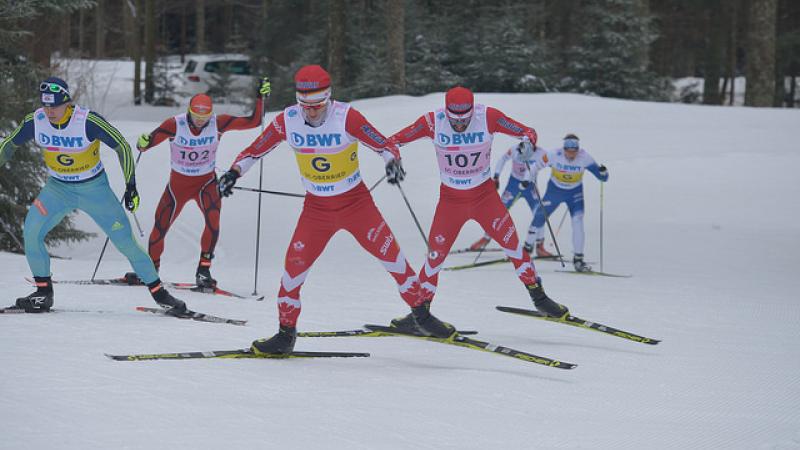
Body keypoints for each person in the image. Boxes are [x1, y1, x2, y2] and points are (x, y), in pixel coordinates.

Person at [217, 65, 452, 354]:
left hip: (357, 205)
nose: (311, 112)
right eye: (306, 106)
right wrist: (233, 173)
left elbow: (384, 144)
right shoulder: (287, 120)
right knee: (292, 272)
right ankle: (285, 335)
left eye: (318, 106)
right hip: (316, 210)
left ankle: (422, 317)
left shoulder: (346, 116)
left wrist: (393, 162)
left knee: (395, 261)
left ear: (328, 98)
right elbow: (255, 150)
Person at [0, 77, 187, 313]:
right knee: (32, 231)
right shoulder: (35, 121)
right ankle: (43, 293)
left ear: (67, 102)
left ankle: (160, 293)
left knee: (125, 242)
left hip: (94, 190)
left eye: (55, 106)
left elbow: (121, 145)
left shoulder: (86, 120)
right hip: (57, 189)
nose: (50, 112)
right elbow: (8, 144)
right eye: (46, 106)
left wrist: (131, 186)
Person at [389, 86, 568, 328]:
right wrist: (393, 157)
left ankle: (540, 298)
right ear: (447, 111)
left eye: (465, 119)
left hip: (485, 199)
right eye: (455, 120)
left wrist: (527, 143)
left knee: (514, 247)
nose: (460, 125)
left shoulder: (488, 116)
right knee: (434, 259)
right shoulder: (433, 121)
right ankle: (419, 313)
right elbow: (392, 141)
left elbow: (528, 132)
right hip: (451, 202)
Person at [122, 77, 271, 288]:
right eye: (196, 115)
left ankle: (203, 271)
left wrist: (260, 98)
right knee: (160, 226)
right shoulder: (175, 124)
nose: (201, 120)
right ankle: (150, 271)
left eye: (205, 116)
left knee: (213, 222)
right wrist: (143, 141)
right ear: (189, 111)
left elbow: (254, 122)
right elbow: (146, 144)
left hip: (206, 183)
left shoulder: (218, 123)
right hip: (178, 186)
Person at [528, 133, 609, 272]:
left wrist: (603, 172)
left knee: (578, 222)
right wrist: (529, 180)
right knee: (540, 216)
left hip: (574, 194)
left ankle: (578, 259)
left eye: (574, 151)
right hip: (554, 192)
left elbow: (602, 177)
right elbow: (535, 166)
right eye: (569, 151)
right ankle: (526, 248)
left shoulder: (585, 157)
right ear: (564, 149)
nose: (572, 154)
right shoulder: (554, 154)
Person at [467, 141, 549, 255]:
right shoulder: (515, 149)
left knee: (540, 213)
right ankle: (486, 238)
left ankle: (540, 246)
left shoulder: (542, 153)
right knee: (499, 211)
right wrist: (496, 176)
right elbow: (502, 159)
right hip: (513, 185)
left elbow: (553, 163)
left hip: (530, 187)